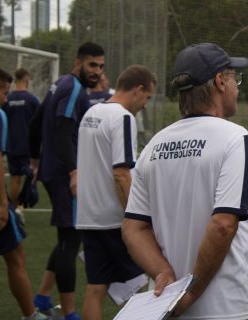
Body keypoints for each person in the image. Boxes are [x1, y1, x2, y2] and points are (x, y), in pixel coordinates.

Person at [122, 43, 248, 320]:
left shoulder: (153, 145)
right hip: (227, 308)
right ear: (221, 81)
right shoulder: (235, 138)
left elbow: (132, 229)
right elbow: (223, 224)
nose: (237, 86)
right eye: (235, 78)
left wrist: (163, 274)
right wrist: (192, 292)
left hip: (165, 305)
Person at [28, 42, 105, 320]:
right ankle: (70, 314)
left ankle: (42, 296)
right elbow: (62, 133)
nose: (97, 71)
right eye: (92, 65)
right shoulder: (73, 88)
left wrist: (36, 161)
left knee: (66, 239)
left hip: (53, 170)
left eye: (100, 66)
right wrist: (74, 172)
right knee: (71, 243)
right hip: (63, 175)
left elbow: (36, 123)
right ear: (78, 63)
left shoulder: (58, 83)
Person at [76, 65, 155, 320]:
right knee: (148, 284)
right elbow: (121, 174)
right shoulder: (122, 118)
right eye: (148, 98)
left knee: (96, 288)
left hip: (88, 217)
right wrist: (136, 216)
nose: (145, 105)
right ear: (138, 89)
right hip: (113, 219)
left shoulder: (91, 112)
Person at [0, 67, 47, 320]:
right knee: (15, 255)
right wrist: (4, 205)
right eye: (3, 93)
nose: (6, 99)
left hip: (14, 150)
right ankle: (31, 315)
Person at [2, 68, 40, 211]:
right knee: (29, 178)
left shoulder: (7, 99)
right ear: (27, 80)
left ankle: (13, 208)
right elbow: (38, 123)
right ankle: (20, 209)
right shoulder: (32, 100)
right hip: (28, 146)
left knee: (15, 178)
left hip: (11, 145)